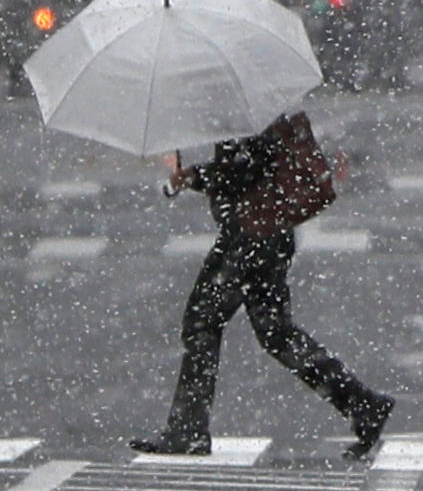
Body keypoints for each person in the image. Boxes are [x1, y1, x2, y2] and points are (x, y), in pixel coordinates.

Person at [134, 105, 390, 461]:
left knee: (202, 322)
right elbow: (249, 168)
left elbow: (243, 171)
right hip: (268, 233)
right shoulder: (253, 105)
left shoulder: (244, 113)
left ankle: (188, 431)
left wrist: (193, 177)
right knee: (276, 333)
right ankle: (363, 404)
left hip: (250, 238)